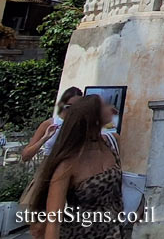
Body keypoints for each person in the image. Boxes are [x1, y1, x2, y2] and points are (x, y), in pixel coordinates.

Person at [30, 95, 126, 239]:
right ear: (92, 117)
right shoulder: (68, 164)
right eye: (104, 106)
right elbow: (53, 221)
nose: (111, 109)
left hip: (114, 232)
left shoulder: (110, 144)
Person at [21, 87, 83, 163]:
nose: (73, 110)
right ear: (62, 105)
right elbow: (25, 156)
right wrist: (44, 138)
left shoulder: (83, 124)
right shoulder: (50, 124)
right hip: (49, 168)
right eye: (69, 107)